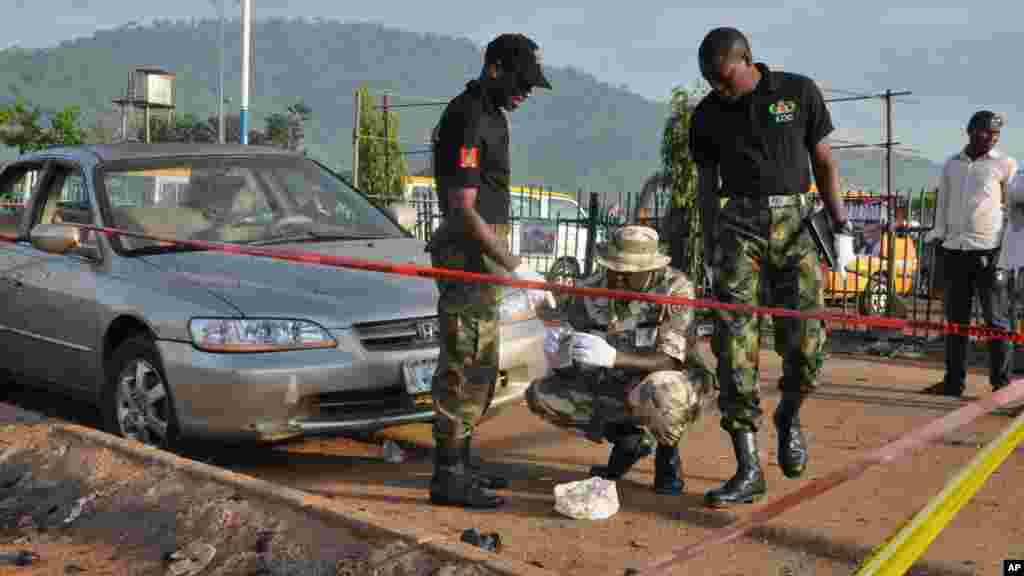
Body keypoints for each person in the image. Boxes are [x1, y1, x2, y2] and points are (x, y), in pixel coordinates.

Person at [689, 27, 855, 507]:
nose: (717, 89)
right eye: (709, 82)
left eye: (723, 79)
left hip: (796, 226)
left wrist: (841, 224)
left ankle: (788, 414)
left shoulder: (797, 92)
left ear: (747, 60)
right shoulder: (707, 115)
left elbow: (823, 162)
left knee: (807, 349)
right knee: (734, 348)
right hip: (737, 228)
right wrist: (709, 243)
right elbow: (705, 186)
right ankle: (748, 468)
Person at [426, 33, 554, 509]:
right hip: (467, 255)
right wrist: (518, 267)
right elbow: (463, 210)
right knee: (463, 362)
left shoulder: (493, 116)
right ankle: (448, 475)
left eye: (531, 86)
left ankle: (463, 460)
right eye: (520, 82)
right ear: (495, 69)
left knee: (482, 360)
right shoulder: (468, 116)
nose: (524, 94)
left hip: (483, 251)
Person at [525, 225, 716, 495]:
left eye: (629, 273)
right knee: (542, 394)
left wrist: (613, 357)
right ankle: (628, 439)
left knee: (665, 390)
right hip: (611, 384)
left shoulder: (675, 289)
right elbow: (572, 342)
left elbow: (671, 361)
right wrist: (560, 356)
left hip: (664, 381)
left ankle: (667, 455)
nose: (619, 279)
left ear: (650, 269)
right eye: (614, 269)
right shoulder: (591, 289)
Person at [921, 111, 1018, 397]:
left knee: (996, 321)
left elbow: (1014, 210)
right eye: (985, 131)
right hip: (954, 251)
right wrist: (937, 237)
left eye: (995, 134)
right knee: (955, 321)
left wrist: (1007, 248)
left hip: (990, 252)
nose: (990, 137)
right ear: (970, 131)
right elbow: (943, 205)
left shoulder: (1005, 164)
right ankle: (953, 383)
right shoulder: (952, 165)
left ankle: (1001, 385)